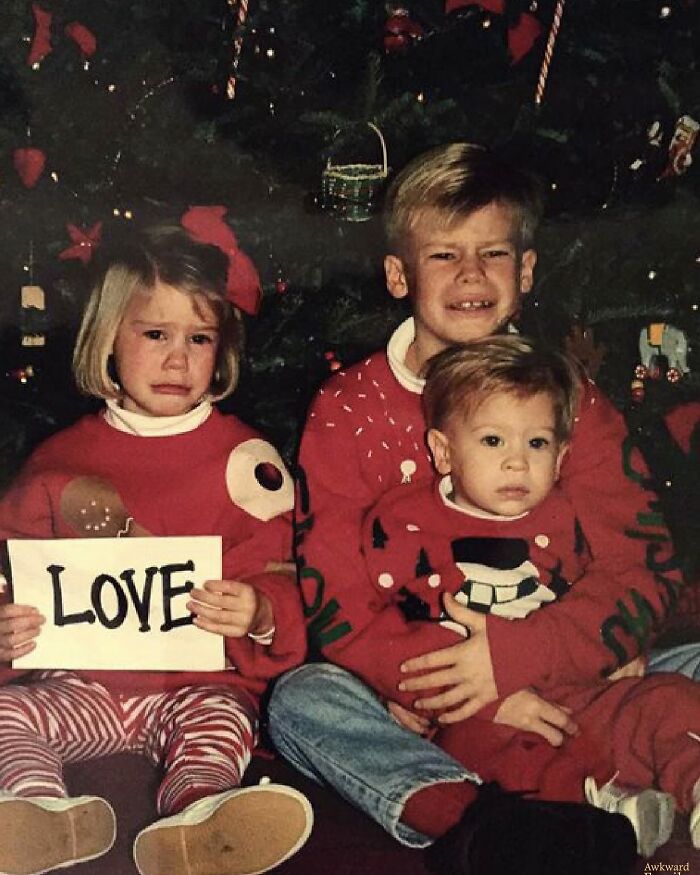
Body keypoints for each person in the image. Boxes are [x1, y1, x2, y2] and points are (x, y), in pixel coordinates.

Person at [267, 143, 682, 871]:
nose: (470, 275)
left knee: (690, 663)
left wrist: (525, 660)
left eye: (493, 254)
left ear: (524, 272)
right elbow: (334, 591)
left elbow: (642, 563)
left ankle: (584, 791)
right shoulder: (346, 409)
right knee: (303, 700)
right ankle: (484, 818)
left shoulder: (570, 399)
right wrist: (442, 682)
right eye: (443, 256)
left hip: (569, 675)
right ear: (399, 273)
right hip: (426, 698)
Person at [0, 217, 312, 875]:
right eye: (155, 334)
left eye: (199, 338)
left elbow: (282, 571)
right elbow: (13, 564)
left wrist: (258, 609)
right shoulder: (58, 460)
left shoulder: (247, 460)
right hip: (82, 684)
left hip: (195, 683)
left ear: (222, 348)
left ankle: (200, 819)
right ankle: (38, 814)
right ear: (108, 338)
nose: (178, 357)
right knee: (4, 712)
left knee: (221, 723)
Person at [360, 334, 700, 857]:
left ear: (562, 456)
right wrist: (409, 693)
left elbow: (620, 588)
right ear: (444, 452)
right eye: (493, 442)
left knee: (670, 699)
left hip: (584, 696)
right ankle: (593, 817)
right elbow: (387, 627)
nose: (517, 463)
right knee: (498, 757)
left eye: (536, 444)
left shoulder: (572, 517)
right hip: (484, 714)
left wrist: (626, 641)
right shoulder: (405, 525)